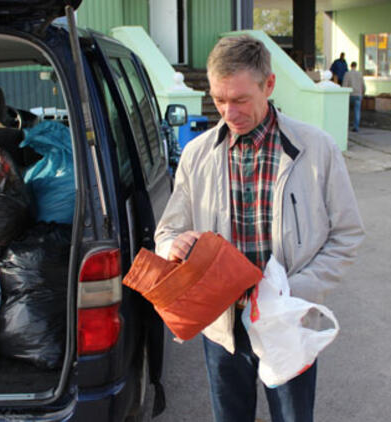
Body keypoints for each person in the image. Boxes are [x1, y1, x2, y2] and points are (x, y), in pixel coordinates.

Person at [155, 35, 364, 422]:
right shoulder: (197, 154)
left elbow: (347, 235)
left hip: (287, 322)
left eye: (240, 100)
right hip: (223, 326)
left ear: (268, 85)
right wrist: (175, 247)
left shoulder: (316, 149)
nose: (228, 112)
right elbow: (167, 232)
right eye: (219, 100)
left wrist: (292, 293)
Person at [342, 62, 365, 132]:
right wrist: (362, 93)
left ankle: (345, 125)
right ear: (356, 66)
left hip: (350, 94)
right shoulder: (360, 74)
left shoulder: (347, 74)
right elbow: (363, 85)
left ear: (350, 66)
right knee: (357, 111)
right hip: (358, 94)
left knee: (346, 111)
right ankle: (356, 127)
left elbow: (344, 85)